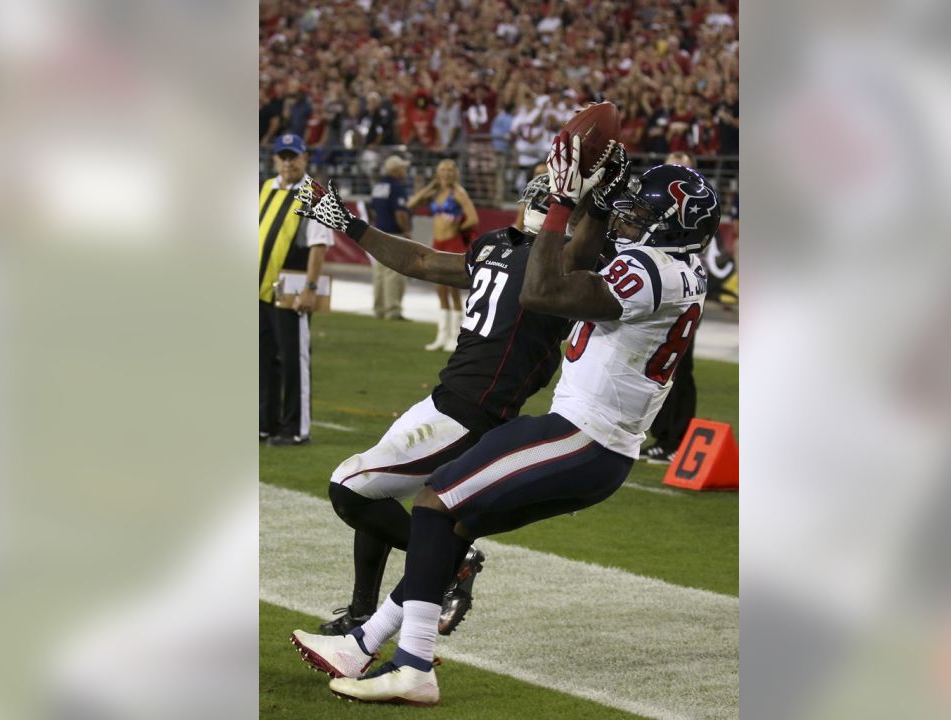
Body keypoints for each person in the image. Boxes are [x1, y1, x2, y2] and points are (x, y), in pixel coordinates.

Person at [292, 135, 718, 707]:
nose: (630, 217)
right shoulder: (670, 269)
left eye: (642, 213)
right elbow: (449, 262)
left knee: (434, 502)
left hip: (581, 435)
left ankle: (413, 666)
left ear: (673, 227)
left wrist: (571, 201)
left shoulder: (651, 270)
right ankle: (363, 641)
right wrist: (594, 203)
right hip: (591, 440)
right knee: (450, 526)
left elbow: (543, 291)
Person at [287, 160, 621, 643]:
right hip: (446, 399)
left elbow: (583, 251)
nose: (538, 206)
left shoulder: (567, 264)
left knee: (348, 487)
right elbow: (421, 261)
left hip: (473, 413)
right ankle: (363, 611)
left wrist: (599, 199)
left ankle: (454, 561)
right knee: (374, 490)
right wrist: (352, 224)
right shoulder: (496, 244)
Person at [259, 133, 335, 447]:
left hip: (292, 289)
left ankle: (295, 428)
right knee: (262, 359)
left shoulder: (316, 194)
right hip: (260, 289)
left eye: (294, 156)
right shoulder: (266, 187)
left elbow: (320, 246)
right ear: (275, 158)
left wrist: (311, 288)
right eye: (283, 156)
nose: (288, 162)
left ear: (305, 158)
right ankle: (265, 422)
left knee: (293, 359)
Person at [641, 151, 703, 462]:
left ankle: (675, 438)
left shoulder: (696, 212)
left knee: (677, 368)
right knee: (658, 366)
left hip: (679, 283)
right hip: (668, 281)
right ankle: (663, 434)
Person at [406, 160, 478, 352]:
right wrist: (431, 185)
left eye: (449, 170)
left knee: (453, 290)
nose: (446, 174)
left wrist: (457, 228)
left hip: (452, 244)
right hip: (437, 245)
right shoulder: (435, 193)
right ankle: (441, 335)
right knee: (440, 290)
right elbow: (411, 203)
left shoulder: (459, 193)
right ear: (437, 173)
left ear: (455, 173)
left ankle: (455, 336)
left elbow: (473, 218)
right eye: (442, 170)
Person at [368, 156, 411, 321]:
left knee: (379, 273)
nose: (405, 172)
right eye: (403, 168)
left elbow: (372, 210)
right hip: (394, 235)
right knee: (394, 273)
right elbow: (400, 213)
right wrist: (406, 230)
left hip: (378, 233)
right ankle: (392, 310)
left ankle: (379, 308)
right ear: (396, 170)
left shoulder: (378, 186)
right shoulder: (396, 187)